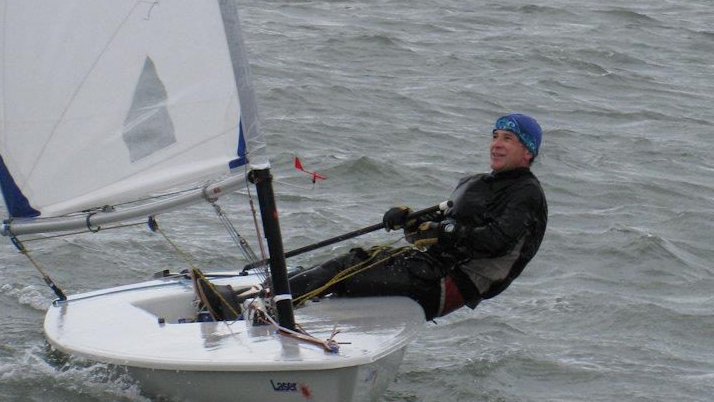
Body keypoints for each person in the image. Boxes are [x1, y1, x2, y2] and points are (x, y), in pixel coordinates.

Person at [197, 113, 547, 322]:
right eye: (495, 136)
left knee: (347, 272)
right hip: (429, 267)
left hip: (451, 285)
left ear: (528, 152)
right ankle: (256, 298)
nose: (497, 144)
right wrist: (411, 223)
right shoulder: (479, 183)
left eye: (509, 139)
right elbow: (438, 227)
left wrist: (445, 232)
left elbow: (496, 241)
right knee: (348, 260)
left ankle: (254, 307)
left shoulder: (525, 195)